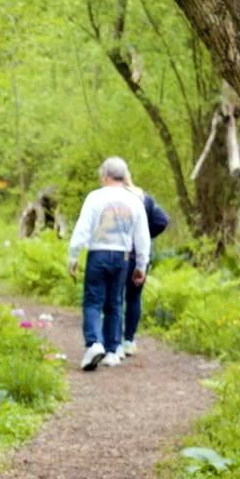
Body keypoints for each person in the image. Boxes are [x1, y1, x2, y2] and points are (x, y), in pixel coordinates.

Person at [66, 157, 151, 371]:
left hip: (98, 253)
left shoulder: (95, 198)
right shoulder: (135, 201)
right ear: (124, 176)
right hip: (122, 257)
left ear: (104, 176)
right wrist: (141, 265)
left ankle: (94, 343)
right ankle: (112, 351)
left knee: (93, 300)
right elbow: (142, 237)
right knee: (114, 302)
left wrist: (73, 256)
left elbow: (83, 229)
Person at [118, 171, 171, 357]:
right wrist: (146, 235)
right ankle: (129, 341)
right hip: (140, 255)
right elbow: (163, 220)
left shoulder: (113, 199)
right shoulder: (144, 198)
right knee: (134, 298)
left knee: (116, 297)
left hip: (118, 253)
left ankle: (114, 341)